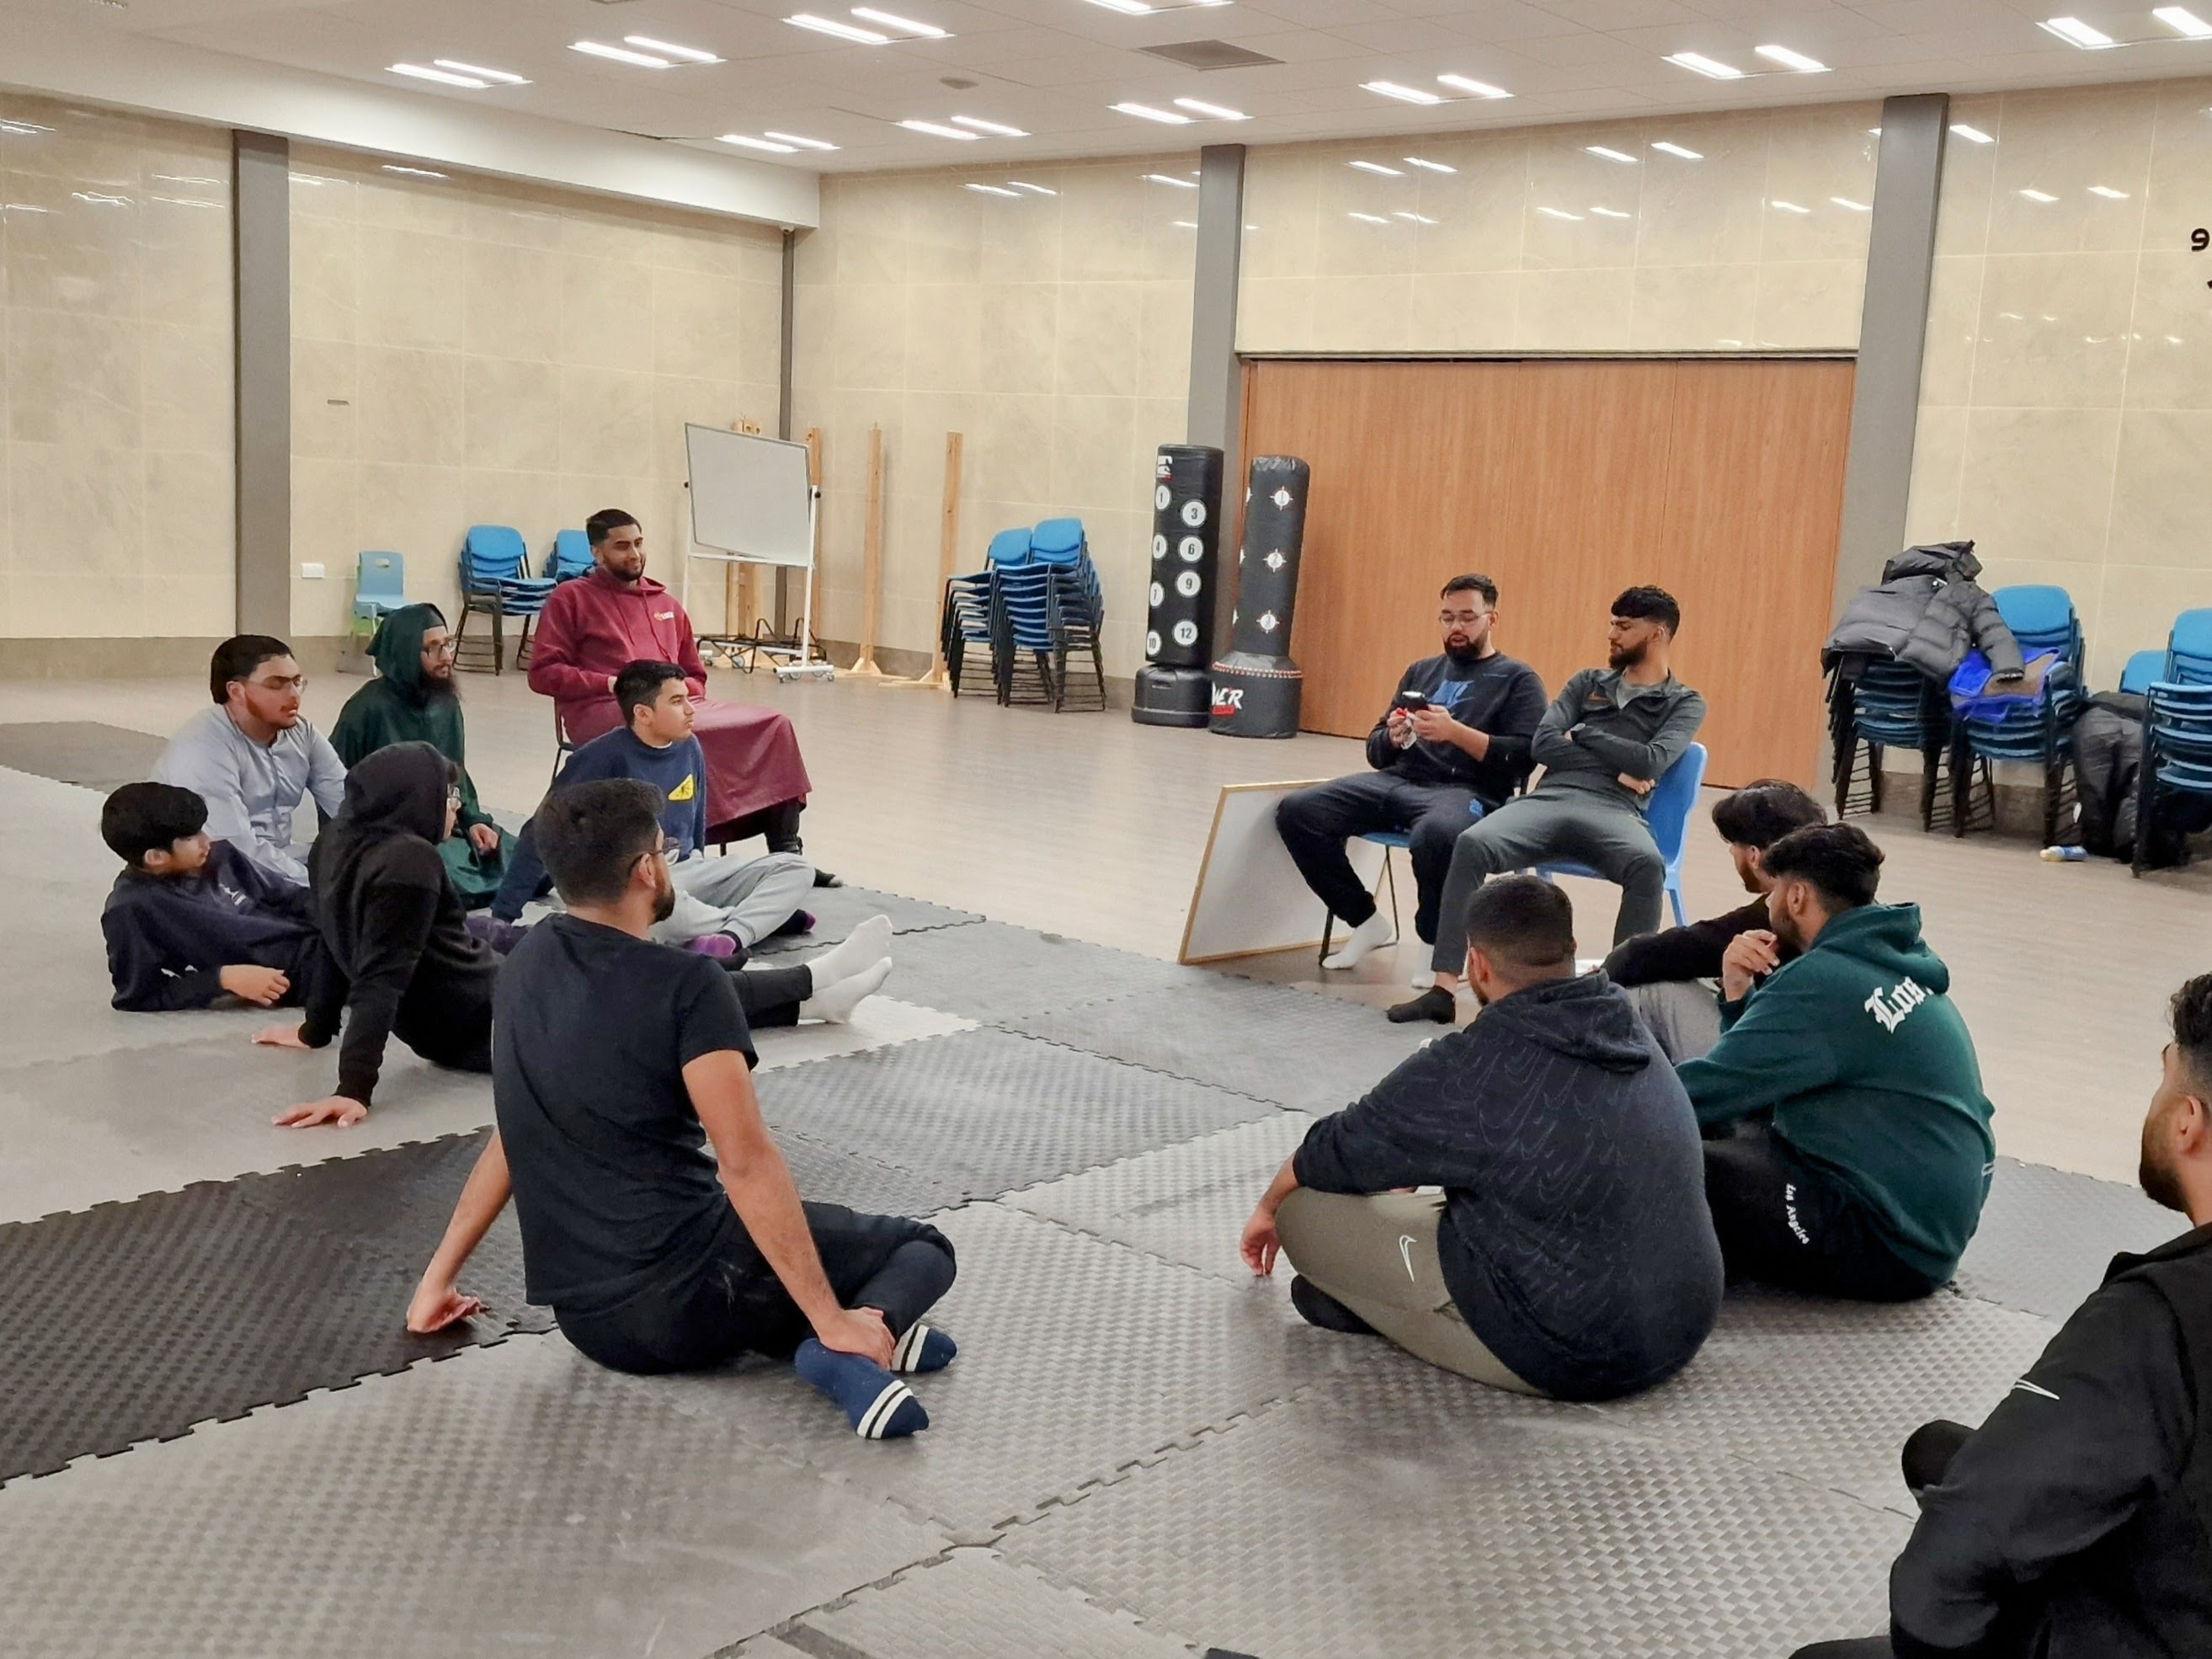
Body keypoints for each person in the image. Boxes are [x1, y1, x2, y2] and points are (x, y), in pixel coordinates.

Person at [404, 777, 958, 1440]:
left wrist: (435, 1280)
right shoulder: (691, 985)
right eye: (663, 851)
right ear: (646, 871)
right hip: (687, 1303)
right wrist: (833, 1319)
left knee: (783, 1267)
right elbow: (746, 1165)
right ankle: (838, 1341)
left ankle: (839, 1334)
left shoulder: (522, 963)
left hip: (588, 1325)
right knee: (923, 1251)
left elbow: (512, 1135)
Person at [1791, 974, 2212, 1659]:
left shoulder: (2152, 1321)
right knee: (1941, 1451)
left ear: (2186, 1120)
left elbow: (1940, 1586)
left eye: (2162, 1079)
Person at [1239, 876, 1723, 1400]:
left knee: (1302, 1213)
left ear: (1478, 965)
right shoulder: (1622, 1020)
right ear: (1571, 951)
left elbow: (1328, 1152)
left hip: (1577, 1355)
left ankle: (1379, 1305)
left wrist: (1268, 1209)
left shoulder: (1474, 1063)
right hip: (1683, 1324)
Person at [262, 744, 893, 1130]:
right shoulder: (408, 863)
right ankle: (814, 984)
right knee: (661, 990)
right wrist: (353, 1090)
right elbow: (378, 977)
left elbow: (332, 943)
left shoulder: (334, 844)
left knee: (644, 978)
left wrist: (315, 1029)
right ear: (412, 798)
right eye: (447, 797)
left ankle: (814, 997)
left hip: (488, 1001)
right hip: (495, 1021)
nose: (455, 809)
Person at [1677, 823, 1994, 1301]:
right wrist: (1739, 991)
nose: (1767, 905)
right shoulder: (1892, 955)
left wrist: (1590, 1106)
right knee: (1726, 1133)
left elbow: (1707, 1091)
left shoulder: (1822, 982)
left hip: (1886, 1244)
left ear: (1798, 896)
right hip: (1930, 1227)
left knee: (1667, 1155)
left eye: (1773, 891)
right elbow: (1755, 1088)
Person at [1393, 588, 1704, 1025]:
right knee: (1471, 843)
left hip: (1615, 809)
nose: (1611, 633)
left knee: (1647, 865)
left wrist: (1584, 734)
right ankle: (1443, 989)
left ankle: (1620, 1001)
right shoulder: (1586, 682)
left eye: (1624, 626)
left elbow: (1652, 760)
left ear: (1657, 633)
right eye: (1612, 623)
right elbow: (1542, 744)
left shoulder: (1685, 702)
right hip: (1548, 798)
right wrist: (1619, 765)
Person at [527, 508, 831, 883]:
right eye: (621, 547)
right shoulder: (570, 599)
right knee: (684, 737)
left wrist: (682, 699)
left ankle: (787, 855)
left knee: (773, 726)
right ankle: (676, 852)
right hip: (605, 707)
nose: (634, 554)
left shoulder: (666, 604)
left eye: (638, 544)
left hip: (673, 704)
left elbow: (695, 673)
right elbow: (543, 674)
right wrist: (606, 683)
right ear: (597, 553)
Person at [1276, 573, 1547, 975]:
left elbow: (1523, 759)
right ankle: (1366, 922)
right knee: (1299, 811)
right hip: (1400, 780)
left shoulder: (1519, 680)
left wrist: (1456, 733)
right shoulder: (1421, 671)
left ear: (1492, 619)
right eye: (1447, 617)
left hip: (1466, 790)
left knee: (1437, 835)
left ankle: (1435, 946)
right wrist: (1395, 737)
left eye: (1468, 618)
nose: (1456, 627)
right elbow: (1375, 750)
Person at [492, 661, 815, 952]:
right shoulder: (599, 759)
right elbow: (542, 829)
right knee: (667, 918)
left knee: (796, 869)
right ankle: (761, 920)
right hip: (636, 884)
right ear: (643, 714)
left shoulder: (690, 747)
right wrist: (503, 916)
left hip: (687, 872)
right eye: (677, 701)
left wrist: (699, 865)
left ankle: (729, 935)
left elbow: (696, 823)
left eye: (688, 698)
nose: (691, 710)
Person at [1602, 779, 1828, 1062]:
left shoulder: (1775, 918)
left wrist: (1594, 980)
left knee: (1650, 992)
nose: (1732, 853)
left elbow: (1642, 954)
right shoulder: (1841, 893)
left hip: (1776, 1064)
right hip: (1822, 1048)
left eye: (1734, 845)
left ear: (1754, 855)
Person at [98, 781, 343, 1015]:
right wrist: (223, 979)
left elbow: (290, 896)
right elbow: (138, 995)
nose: (206, 841)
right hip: (300, 971)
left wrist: (342, 919)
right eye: (191, 838)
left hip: (329, 935)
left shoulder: (219, 856)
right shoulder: (132, 907)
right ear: (156, 857)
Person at [328, 603, 514, 909]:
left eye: (447, 644)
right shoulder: (366, 709)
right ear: (405, 653)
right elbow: (336, 785)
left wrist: (474, 822)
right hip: (392, 835)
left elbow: (457, 775)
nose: (446, 657)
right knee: (433, 876)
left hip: (447, 826)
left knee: (524, 861)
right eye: (432, 648)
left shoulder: (446, 703)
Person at [153, 635, 346, 888]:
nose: (294, 695)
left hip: (276, 860)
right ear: (236, 691)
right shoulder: (204, 747)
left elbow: (347, 800)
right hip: (210, 875)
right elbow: (234, 848)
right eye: (276, 685)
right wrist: (315, 886)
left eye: (297, 682)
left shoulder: (301, 732)